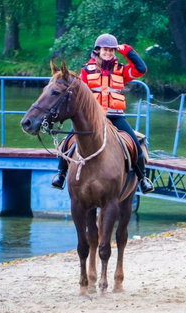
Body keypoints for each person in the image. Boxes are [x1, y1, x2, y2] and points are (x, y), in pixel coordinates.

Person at [51, 33, 154, 194]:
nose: (109, 53)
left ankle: (143, 179)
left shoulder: (121, 70)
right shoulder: (86, 71)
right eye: (105, 49)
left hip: (115, 116)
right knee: (68, 142)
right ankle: (61, 175)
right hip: (92, 118)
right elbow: (80, 94)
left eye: (112, 50)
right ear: (98, 50)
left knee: (135, 144)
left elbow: (141, 69)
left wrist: (126, 50)